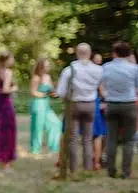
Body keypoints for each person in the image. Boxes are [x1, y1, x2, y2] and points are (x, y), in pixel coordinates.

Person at [56, 43, 104, 174]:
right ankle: (87, 167)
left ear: (77, 53)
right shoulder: (98, 70)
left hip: (74, 104)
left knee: (73, 137)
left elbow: (60, 92)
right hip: (91, 104)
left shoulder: (69, 70)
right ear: (90, 54)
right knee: (88, 138)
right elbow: (101, 87)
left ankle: (73, 168)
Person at [100, 41, 138, 178]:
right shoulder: (134, 69)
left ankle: (111, 170)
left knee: (111, 138)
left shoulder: (106, 68)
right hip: (129, 104)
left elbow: (101, 84)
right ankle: (126, 172)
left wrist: (106, 95)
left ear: (114, 53)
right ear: (128, 54)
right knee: (129, 140)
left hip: (112, 104)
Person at [29, 58, 61, 155]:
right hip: (38, 104)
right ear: (41, 67)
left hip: (46, 105)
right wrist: (44, 94)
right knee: (37, 127)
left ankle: (54, 147)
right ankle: (35, 149)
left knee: (56, 123)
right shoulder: (36, 78)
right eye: (46, 65)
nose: (48, 67)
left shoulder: (48, 77)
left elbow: (51, 91)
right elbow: (32, 92)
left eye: (49, 65)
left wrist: (54, 94)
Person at [92, 52, 108, 169]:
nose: (98, 62)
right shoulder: (95, 73)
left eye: (100, 60)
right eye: (96, 60)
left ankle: (100, 156)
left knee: (104, 132)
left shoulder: (103, 72)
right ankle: (96, 157)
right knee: (97, 133)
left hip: (102, 104)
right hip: (96, 104)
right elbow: (102, 91)